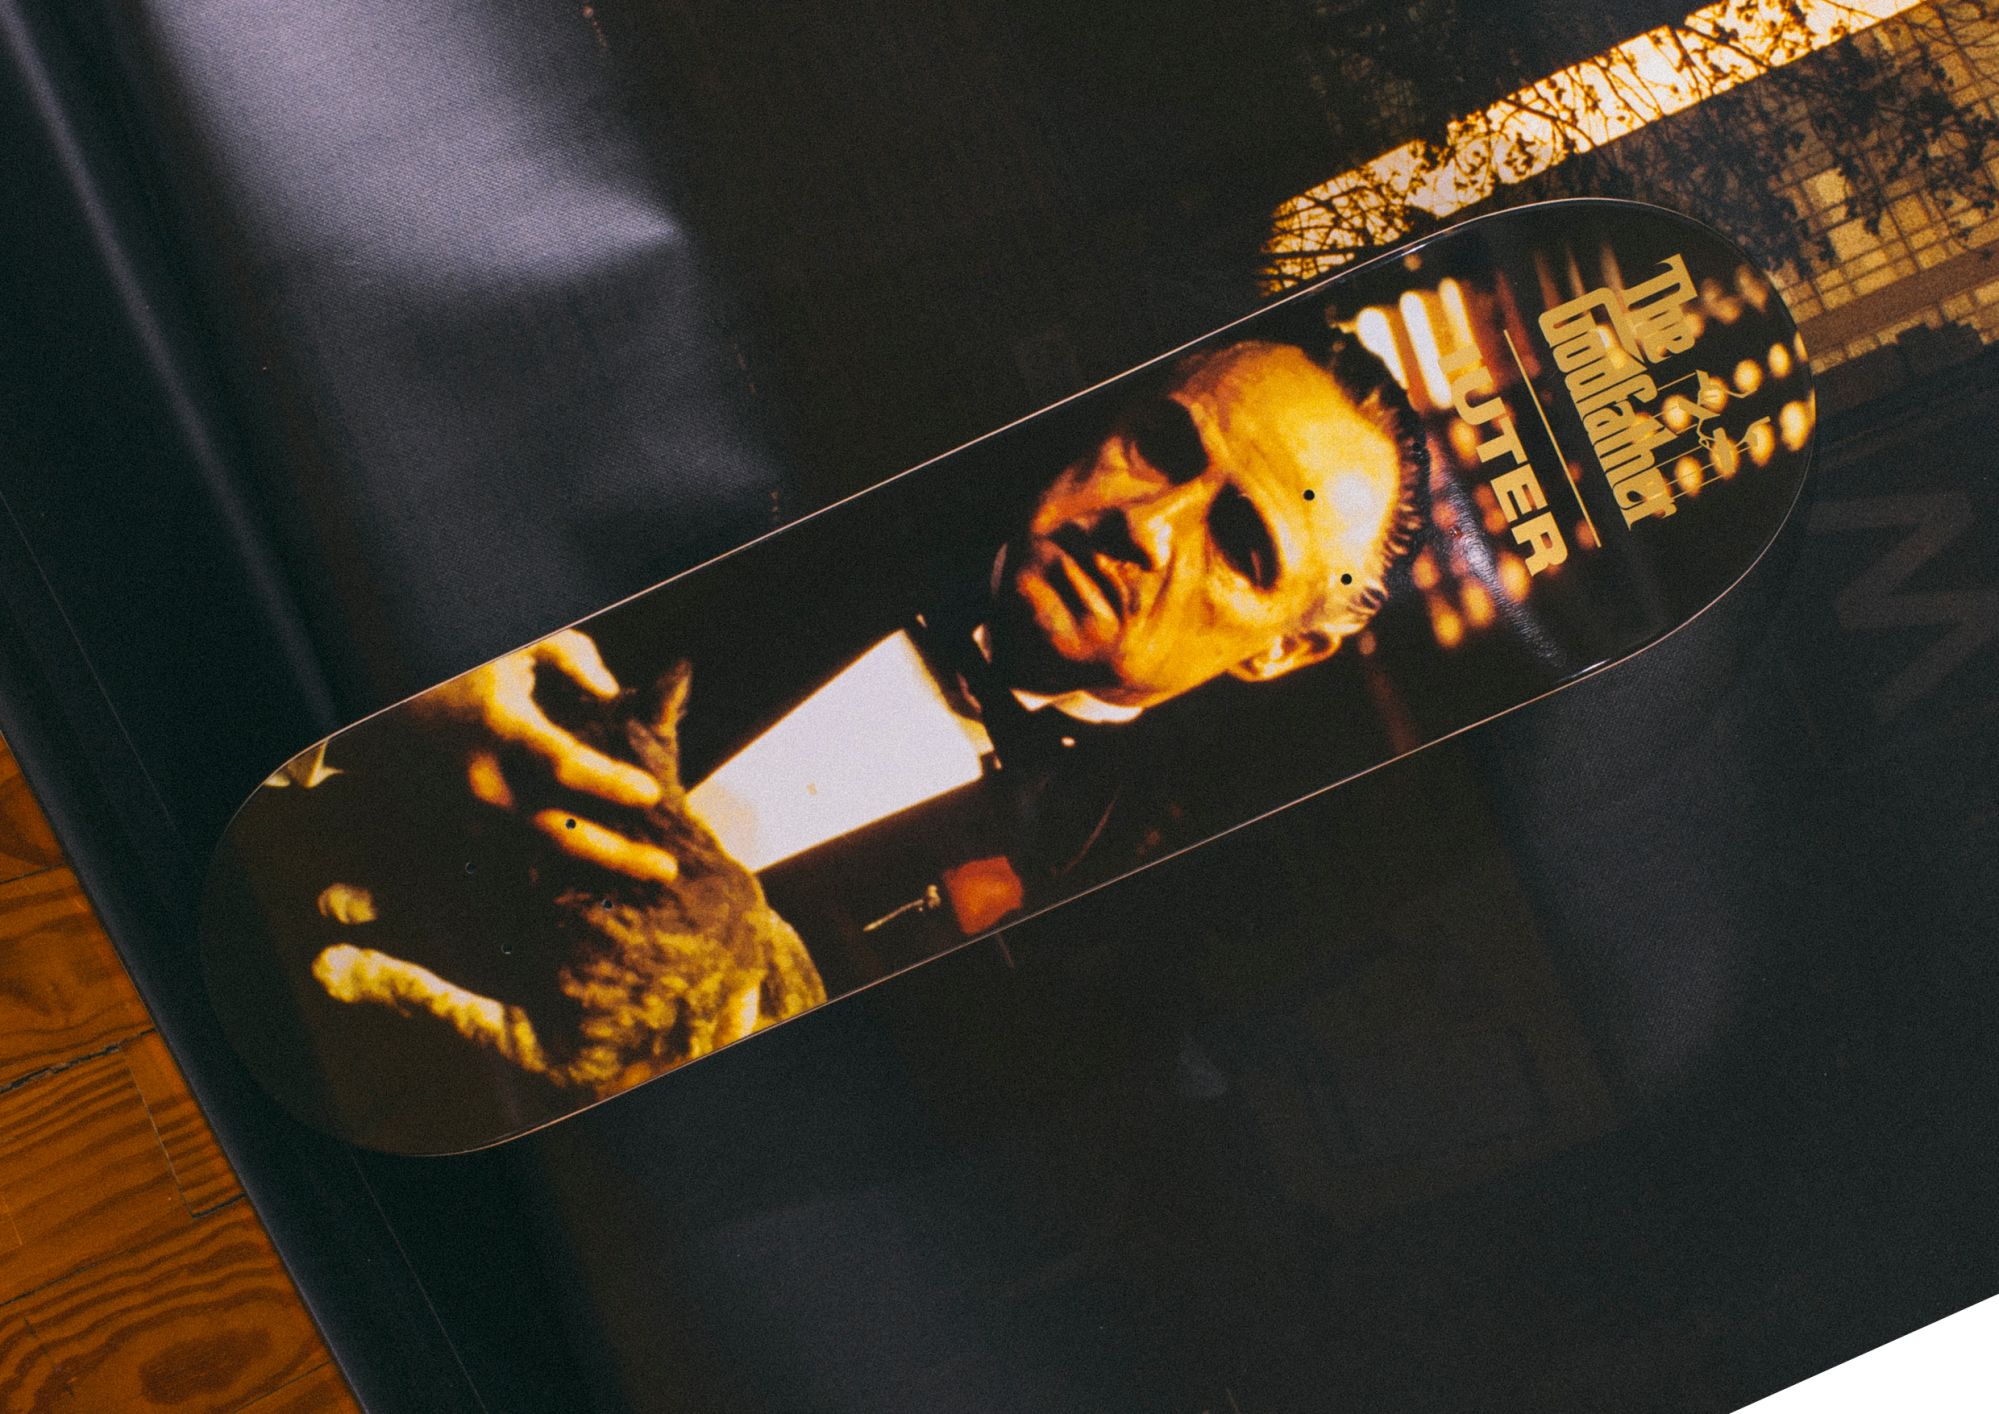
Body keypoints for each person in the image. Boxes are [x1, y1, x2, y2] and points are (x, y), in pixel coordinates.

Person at [241, 329, 1427, 1137]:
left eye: (1241, 543)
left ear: (1285, 650)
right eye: (1163, 447)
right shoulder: (802, 465)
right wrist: (429, 686)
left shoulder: (1110, 916)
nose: (1148, 527)